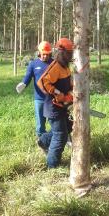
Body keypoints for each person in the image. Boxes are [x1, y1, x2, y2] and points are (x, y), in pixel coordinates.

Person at [37, 37, 74, 168]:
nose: (71, 55)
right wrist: (59, 94)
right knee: (60, 136)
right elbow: (42, 82)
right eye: (69, 53)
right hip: (53, 107)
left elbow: (68, 83)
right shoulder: (55, 67)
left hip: (62, 107)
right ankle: (52, 166)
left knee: (68, 127)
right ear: (63, 52)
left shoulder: (65, 67)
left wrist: (73, 90)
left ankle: (43, 141)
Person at [16, 41, 53, 137]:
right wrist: (23, 84)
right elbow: (27, 77)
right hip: (39, 98)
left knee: (54, 122)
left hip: (52, 98)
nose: (45, 56)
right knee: (40, 123)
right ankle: (41, 141)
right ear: (39, 53)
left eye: (47, 54)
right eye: (43, 54)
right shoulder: (33, 64)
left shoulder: (54, 63)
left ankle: (53, 140)